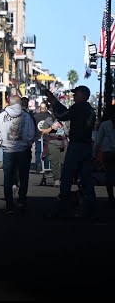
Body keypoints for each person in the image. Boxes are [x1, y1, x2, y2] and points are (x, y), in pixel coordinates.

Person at [45, 85, 97, 218]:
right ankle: (90, 207)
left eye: (76, 93)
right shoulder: (90, 110)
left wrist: (53, 100)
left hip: (76, 146)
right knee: (86, 178)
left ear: (83, 95)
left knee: (67, 176)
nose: (74, 96)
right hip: (86, 146)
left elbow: (62, 115)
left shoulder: (79, 107)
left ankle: (63, 207)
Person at [0, 94, 35, 215]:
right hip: (22, 149)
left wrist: (0, 142)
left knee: (8, 178)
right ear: (20, 102)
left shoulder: (3, 115)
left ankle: (9, 205)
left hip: (8, 150)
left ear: (10, 102)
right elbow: (31, 131)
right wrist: (28, 142)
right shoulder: (26, 115)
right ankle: (21, 200)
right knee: (23, 177)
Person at [93, 107, 115, 208]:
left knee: (109, 175)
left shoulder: (105, 124)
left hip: (108, 152)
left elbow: (97, 141)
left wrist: (94, 154)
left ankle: (111, 197)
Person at [33, 101, 52, 173]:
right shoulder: (49, 116)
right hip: (47, 136)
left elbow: (34, 126)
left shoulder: (35, 116)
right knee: (46, 152)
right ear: (46, 108)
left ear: (40, 108)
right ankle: (47, 167)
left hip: (38, 136)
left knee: (38, 151)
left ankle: (38, 165)